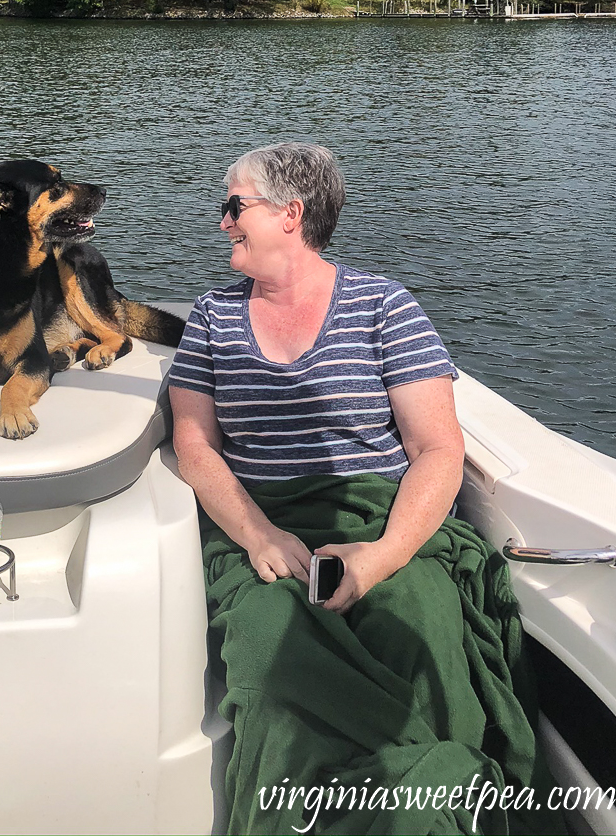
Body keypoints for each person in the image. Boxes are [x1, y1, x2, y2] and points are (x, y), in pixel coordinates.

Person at [169, 142, 563, 836]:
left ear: (289, 213)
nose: (221, 221)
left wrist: (382, 555)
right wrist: (256, 533)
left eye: (233, 206)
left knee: (423, 641)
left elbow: (437, 448)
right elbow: (194, 444)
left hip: (384, 518)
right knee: (269, 663)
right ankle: (431, 802)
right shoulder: (211, 317)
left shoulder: (383, 307)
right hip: (263, 525)